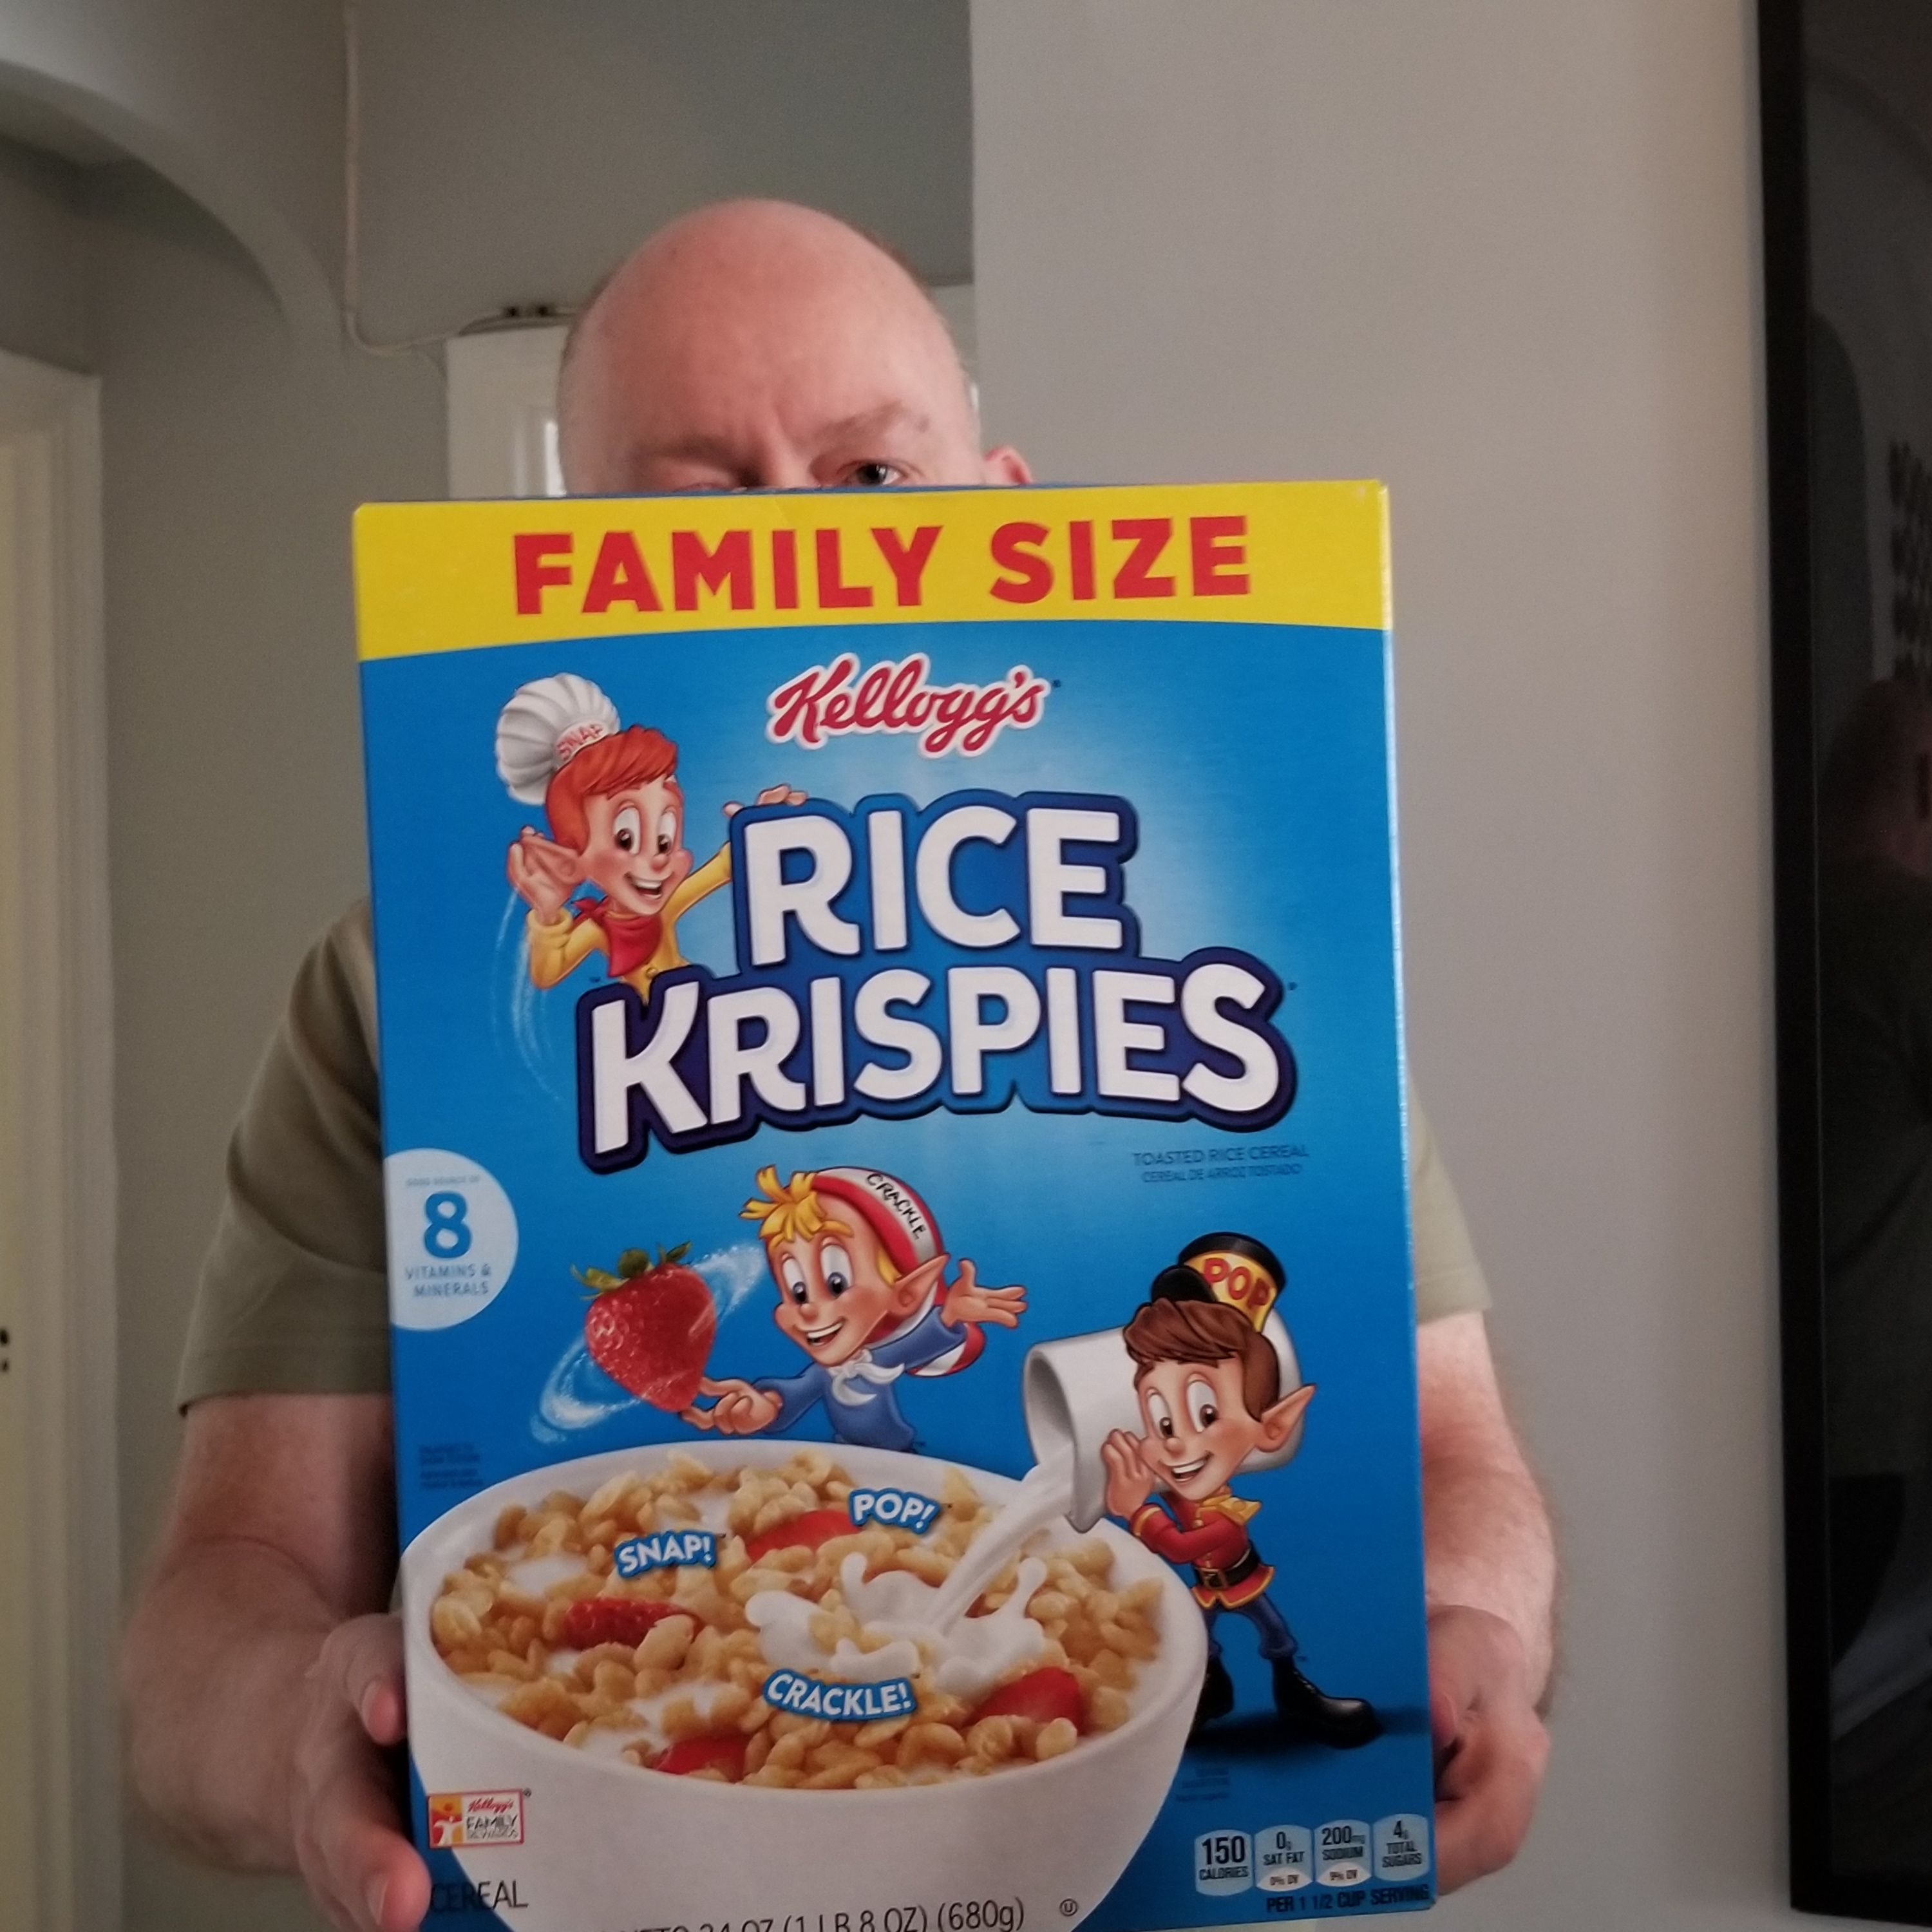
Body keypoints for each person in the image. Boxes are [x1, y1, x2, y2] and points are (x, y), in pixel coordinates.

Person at [121, 199, 1555, 1932]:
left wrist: (1476, 1635)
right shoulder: (407, 989)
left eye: (871, 478)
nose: (799, 550)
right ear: (562, 559)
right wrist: (291, 1720)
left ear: (1005, 511)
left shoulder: (1254, 943)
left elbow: (1454, 1461)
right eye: (694, 505)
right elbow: (215, 1621)